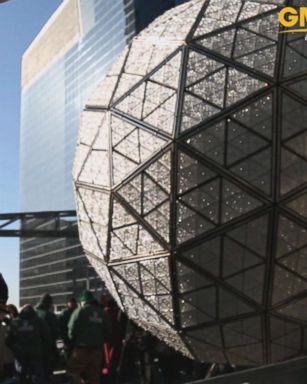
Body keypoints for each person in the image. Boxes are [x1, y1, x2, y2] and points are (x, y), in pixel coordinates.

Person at [67, 290, 112, 384]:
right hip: (97, 350)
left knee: (72, 371)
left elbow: (71, 330)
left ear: (84, 301)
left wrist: (72, 341)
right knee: (94, 375)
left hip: (81, 348)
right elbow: (108, 332)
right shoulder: (102, 313)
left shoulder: (79, 311)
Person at [6, 305, 51, 384]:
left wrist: (15, 348)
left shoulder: (15, 321)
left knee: (19, 378)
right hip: (35, 354)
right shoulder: (39, 321)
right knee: (38, 378)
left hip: (20, 354)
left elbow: (8, 340)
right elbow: (47, 337)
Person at [35, 293, 59, 379]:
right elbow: (55, 333)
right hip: (46, 347)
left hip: (31, 347)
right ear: (49, 303)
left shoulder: (33, 312)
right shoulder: (49, 315)